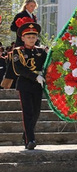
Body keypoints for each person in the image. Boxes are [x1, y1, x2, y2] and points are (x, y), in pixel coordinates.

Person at [8, 22, 47, 150]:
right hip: (25, 84)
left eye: (33, 37)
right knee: (28, 112)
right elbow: (18, 69)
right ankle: (30, 139)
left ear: (36, 38)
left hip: (37, 85)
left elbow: (48, 66)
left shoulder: (41, 51)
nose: (31, 39)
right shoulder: (17, 52)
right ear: (23, 38)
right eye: (28, 37)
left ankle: (26, 134)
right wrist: (35, 76)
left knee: (36, 112)